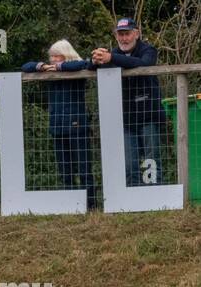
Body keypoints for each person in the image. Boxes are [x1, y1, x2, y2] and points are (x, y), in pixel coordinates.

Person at [60, 17, 166, 187]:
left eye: (127, 34)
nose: (123, 38)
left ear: (136, 34)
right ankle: (133, 201)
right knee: (129, 164)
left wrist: (111, 58)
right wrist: (95, 60)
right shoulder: (113, 54)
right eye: (120, 34)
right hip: (125, 120)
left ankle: (156, 198)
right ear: (116, 36)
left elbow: (144, 64)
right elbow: (90, 67)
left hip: (149, 117)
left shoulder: (148, 49)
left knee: (151, 161)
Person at [23, 41, 97, 209]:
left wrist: (60, 67)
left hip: (77, 126)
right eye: (52, 56)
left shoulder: (78, 67)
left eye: (57, 56)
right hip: (57, 127)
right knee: (65, 170)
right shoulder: (49, 70)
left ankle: (91, 206)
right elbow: (26, 66)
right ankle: (71, 206)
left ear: (66, 55)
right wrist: (41, 66)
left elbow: (84, 63)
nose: (54, 59)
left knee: (84, 168)